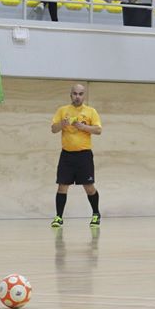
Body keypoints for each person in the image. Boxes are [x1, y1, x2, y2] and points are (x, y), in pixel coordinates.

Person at [50, 83, 102, 228]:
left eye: (80, 94)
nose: (77, 96)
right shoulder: (63, 110)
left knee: (89, 187)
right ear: (70, 95)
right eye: (75, 94)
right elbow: (53, 129)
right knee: (62, 186)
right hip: (67, 155)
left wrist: (83, 127)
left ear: (84, 96)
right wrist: (62, 124)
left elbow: (98, 130)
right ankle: (59, 217)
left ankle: (96, 214)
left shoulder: (91, 111)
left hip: (84, 155)